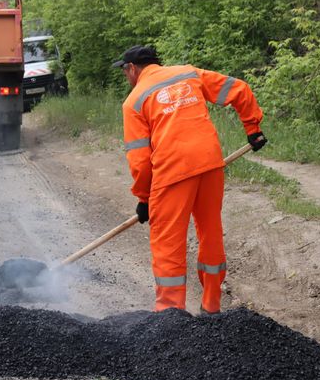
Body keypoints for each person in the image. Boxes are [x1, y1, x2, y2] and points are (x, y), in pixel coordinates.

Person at [114, 45, 266, 314]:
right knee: (210, 233)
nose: (126, 77)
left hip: (172, 172)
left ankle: (171, 314)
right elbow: (239, 89)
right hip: (209, 164)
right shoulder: (188, 74)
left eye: (125, 71)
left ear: (132, 69)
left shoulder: (134, 101)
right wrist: (252, 129)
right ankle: (211, 306)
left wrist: (144, 198)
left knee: (168, 242)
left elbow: (139, 161)